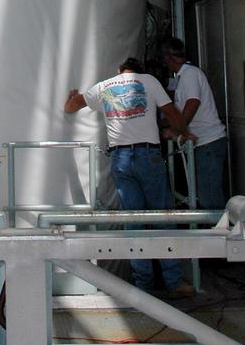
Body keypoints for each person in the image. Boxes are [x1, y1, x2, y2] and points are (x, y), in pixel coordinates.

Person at [64, 56, 195, 298]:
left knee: (133, 221)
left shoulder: (105, 86)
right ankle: (174, 282)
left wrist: (72, 97)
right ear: (139, 71)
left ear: (119, 70)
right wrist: (185, 132)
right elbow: (171, 112)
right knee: (162, 217)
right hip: (147, 155)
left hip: (120, 158)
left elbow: (71, 107)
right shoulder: (149, 81)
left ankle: (142, 284)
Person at [161, 36, 227, 211]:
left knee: (209, 196)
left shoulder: (190, 74)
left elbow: (192, 103)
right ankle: (215, 225)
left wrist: (177, 131)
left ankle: (218, 227)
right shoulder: (182, 76)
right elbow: (179, 110)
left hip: (208, 142)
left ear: (168, 57)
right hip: (203, 144)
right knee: (206, 193)